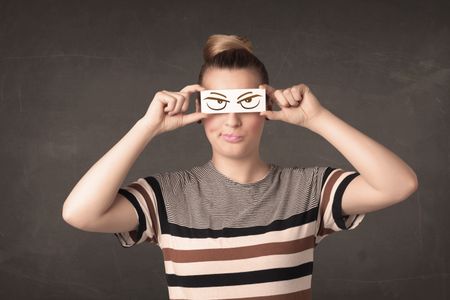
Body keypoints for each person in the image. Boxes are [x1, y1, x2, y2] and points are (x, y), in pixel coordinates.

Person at [62, 34, 418, 299]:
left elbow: (398, 185)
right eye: (217, 104)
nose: (231, 120)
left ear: (267, 110)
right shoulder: (166, 196)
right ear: (199, 113)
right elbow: (80, 214)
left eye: (246, 103)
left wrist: (318, 119)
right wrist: (146, 127)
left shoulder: (310, 191)